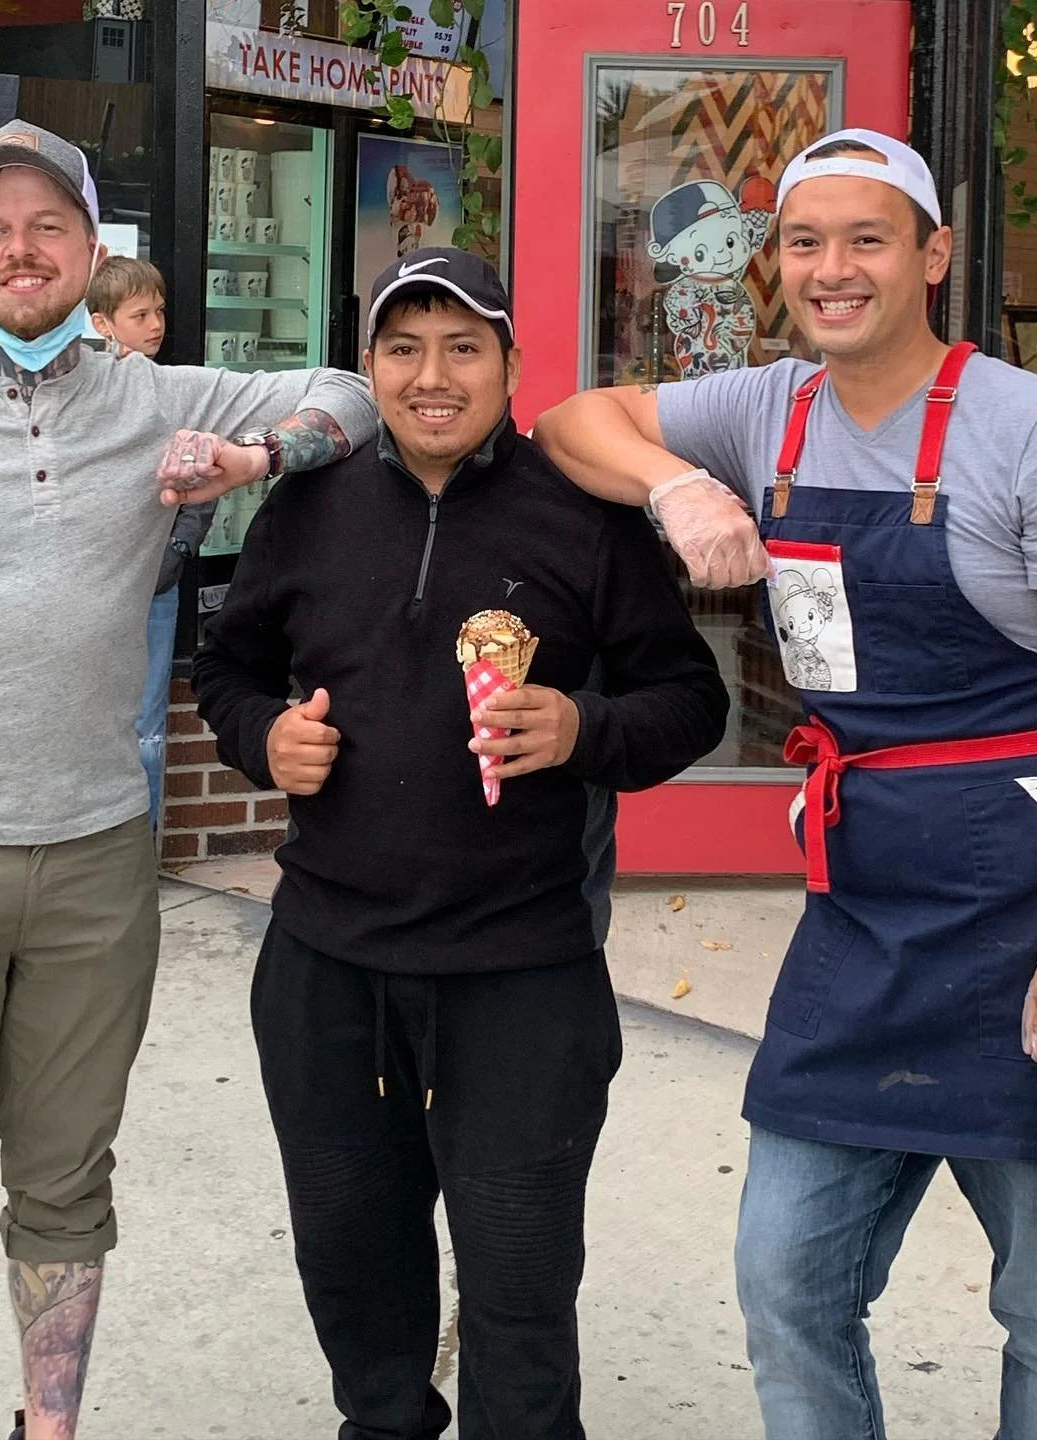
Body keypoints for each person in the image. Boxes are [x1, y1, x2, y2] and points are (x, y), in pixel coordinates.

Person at [534, 129, 1037, 1440]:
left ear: (933, 256)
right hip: (867, 914)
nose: (832, 269)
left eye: (867, 239)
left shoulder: (1034, 435)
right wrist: (677, 492)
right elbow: (568, 421)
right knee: (786, 1273)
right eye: (807, 242)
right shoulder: (765, 408)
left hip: (1035, 907)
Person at [0, 119, 376, 1440]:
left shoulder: (153, 399)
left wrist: (249, 460)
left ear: (92, 249)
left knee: (66, 1183)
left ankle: (50, 1430)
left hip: (100, 867)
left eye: (48, 224)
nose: (21, 248)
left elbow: (350, 392)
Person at [194, 247, 729, 1439]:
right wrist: (261, 738)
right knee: (349, 1252)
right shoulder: (309, 507)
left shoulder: (582, 517)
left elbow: (689, 699)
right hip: (328, 956)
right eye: (403, 347)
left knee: (521, 1276)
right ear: (371, 366)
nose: (432, 377)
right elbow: (225, 665)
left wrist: (580, 725)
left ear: (509, 367)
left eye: (463, 347)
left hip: (521, 964)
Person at [87, 255, 206, 831]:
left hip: (155, 586)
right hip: (89, 587)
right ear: (102, 323)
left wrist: (175, 554)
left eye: (159, 311)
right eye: (140, 314)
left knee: (147, 725)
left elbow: (202, 487)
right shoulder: (81, 396)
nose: (156, 324)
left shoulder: (175, 393)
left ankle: (142, 849)